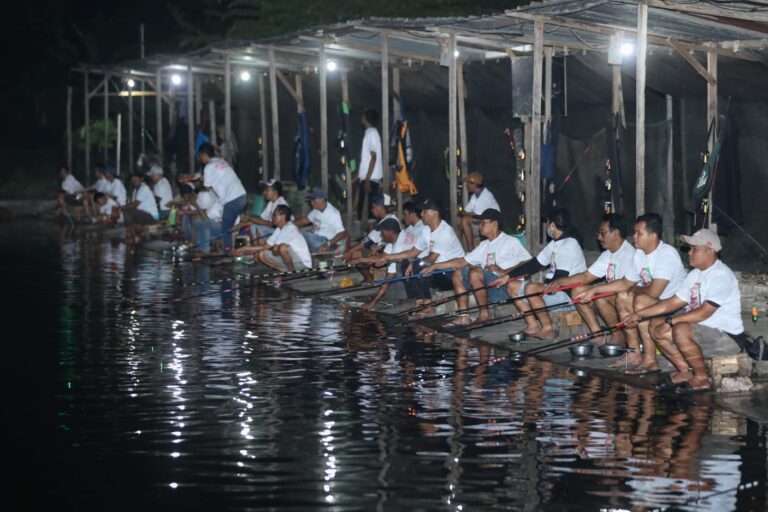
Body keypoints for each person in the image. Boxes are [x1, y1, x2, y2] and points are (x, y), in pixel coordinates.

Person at [622, 229, 744, 393]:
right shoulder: (695, 275)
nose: (690, 253)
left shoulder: (721, 275)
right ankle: (685, 371)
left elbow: (704, 313)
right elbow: (671, 303)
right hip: (702, 331)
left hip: (726, 339)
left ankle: (701, 378)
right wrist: (639, 315)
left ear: (710, 250)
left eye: (695, 249)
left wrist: (670, 321)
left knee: (680, 328)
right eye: (689, 249)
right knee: (655, 323)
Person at [575, 213, 686, 373]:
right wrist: (594, 289)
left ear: (653, 236)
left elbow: (654, 291)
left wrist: (632, 290)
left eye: (638, 233)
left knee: (638, 299)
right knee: (623, 296)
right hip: (652, 302)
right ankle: (634, 353)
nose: (634, 236)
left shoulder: (666, 254)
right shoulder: (639, 254)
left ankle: (650, 359)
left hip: (673, 306)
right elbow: (625, 283)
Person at [422, 209, 531, 326]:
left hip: (506, 288)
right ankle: (464, 317)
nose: (480, 226)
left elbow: (529, 262)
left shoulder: (510, 242)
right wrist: (435, 266)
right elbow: (461, 262)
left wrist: (505, 272)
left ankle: (485, 314)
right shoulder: (484, 245)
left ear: (494, 224)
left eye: (483, 222)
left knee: (475, 273)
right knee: (458, 272)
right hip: (488, 288)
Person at [493, 208, 587, 339]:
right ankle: (532, 325)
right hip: (553, 290)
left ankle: (547, 328)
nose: (548, 226)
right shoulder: (555, 244)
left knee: (531, 288)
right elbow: (534, 264)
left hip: (567, 295)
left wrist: (538, 289)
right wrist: (507, 276)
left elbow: (561, 278)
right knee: (512, 285)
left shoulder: (569, 245)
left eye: (548, 223)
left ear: (553, 225)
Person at [543, 213, 635, 345]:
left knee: (600, 297)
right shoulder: (607, 254)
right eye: (598, 233)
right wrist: (559, 282)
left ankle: (618, 336)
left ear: (615, 233)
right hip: (612, 297)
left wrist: (596, 290)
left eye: (602, 233)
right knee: (578, 291)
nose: (598, 237)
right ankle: (597, 335)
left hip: (627, 301)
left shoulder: (629, 253)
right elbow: (586, 276)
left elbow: (625, 285)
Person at [404, 199, 465, 314]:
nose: (421, 214)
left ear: (434, 213)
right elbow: (413, 252)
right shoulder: (426, 230)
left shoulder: (445, 231)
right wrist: (387, 257)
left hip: (451, 273)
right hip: (438, 270)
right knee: (407, 264)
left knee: (419, 265)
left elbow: (431, 259)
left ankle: (428, 306)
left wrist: (415, 263)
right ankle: (419, 301)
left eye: (424, 211)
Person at [347, 218, 408, 311]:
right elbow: (380, 257)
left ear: (390, 232)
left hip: (410, 277)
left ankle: (407, 301)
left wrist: (372, 303)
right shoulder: (394, 240)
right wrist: (359, 260)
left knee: (392, 290)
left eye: (382, 232)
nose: (380, 235)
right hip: (405, 271)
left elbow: (389, 278)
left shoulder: (399, 246)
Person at [199, 142, 246, 254]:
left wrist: (202, 180)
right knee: (228, 227)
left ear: (204, 154)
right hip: (242, 195)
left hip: (232, 199)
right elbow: (219, 176)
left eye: (200, 155)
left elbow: (206, 188)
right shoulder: (220, 161)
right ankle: (228, 251)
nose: (200, 158)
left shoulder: (208, 167)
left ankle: (227, 254)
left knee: (226, 229)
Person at [233, 205, 311, 272]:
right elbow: (265, 247)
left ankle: (292, 273)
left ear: (282, 217)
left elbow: (276, 250)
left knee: (282, 248)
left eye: (274, 215)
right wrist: (243, 249)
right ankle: (284, 271)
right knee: (262, 254)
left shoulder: (289, 228)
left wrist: (275, 249)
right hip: (292, 261)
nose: (272, 217)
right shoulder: (278, 229)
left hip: (303, 264)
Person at [344, 194, 399, 281]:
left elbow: (392, 242)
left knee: (356, 254)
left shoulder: (390, 221)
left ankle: (370, 278)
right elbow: (366, 240)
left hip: (388, 255)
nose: (371, 210)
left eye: (373, 207)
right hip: (381, 251)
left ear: (379, 207)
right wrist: (349, 251)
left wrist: (379, 246)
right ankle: (369, 279)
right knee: (355, 252)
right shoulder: (384, 220)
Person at [295, 187, 348, 253]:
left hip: (328, 243)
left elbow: (342, 233)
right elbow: (305, 220)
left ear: (322, 199)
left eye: (314, 200)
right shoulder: (316, 210)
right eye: (311, 200)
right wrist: (289, 224)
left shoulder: (333, 213)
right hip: (317, 239)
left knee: (301, 234)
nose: (311, 203)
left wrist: (327, 244)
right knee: (295, 232)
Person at [458, 172, 500, 251]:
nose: (466, 185)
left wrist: (465, 214)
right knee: (459, 220)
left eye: (468, 183)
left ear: (474, 184)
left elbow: (478, 215)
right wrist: (463, 214)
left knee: (465, 220)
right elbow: (466, 211)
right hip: (482, 220)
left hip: (492, 223)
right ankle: (460, 248)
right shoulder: (475, 196)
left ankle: (471, 248)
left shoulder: (486, 195)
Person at [357, 108, 383, 220]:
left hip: (370, 177)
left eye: (363, 116)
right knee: (366, 207)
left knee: (368, 209)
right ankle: (368, 232)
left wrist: (367, 179)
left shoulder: (371, 134)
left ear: (367, 119)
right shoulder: (370, 133)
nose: (361, 118)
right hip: (369, 176)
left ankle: (368, 233)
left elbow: (373, 157)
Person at [123, 172, 159, 241]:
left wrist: (122, 208)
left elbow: (135, 204)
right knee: (128, 211)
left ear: (141, 179)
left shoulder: (144, 188)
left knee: (127, 211)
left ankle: (131, 233)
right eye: (133, 181)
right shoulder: (135, 190)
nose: (134, 182)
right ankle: (133, 233)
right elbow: (134, 206)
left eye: (136, 180)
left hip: (151, 216)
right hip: (143, 215)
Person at [192, 185, 223, 254]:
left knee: (206, 223)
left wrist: (196, 205)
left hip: (223, 226)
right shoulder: (216, 202)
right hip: (216, 224)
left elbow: (205, 217)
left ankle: (205, 250)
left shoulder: (223, 202)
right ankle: (199, 246)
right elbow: (205, 214)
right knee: (197, 222)